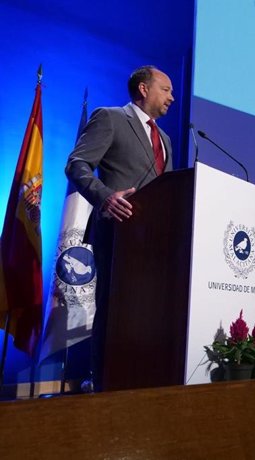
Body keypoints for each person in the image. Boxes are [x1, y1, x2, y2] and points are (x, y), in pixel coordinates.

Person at [65, 65, 175, 391]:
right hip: (118, 231)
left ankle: (140, 381)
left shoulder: (165, 138)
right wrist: (105, 197)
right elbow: (77, 164)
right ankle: (103, 384)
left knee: (149, 312)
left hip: (155, 240)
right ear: (144, 89)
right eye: (166, 89)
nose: (172, 96)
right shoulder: (110, 118)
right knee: (115, 310)